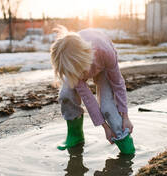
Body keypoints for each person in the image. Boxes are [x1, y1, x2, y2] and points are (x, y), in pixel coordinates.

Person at [50, 26, 135, 154]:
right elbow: (88, 98)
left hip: (102, 64)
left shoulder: (105, 52)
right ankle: (75, 136)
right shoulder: (70, 63)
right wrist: (105, 128)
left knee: (108, 108)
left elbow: (118, 84)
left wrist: (125, 116)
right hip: (78, 64)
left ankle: (125, 143)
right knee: (66, 94)